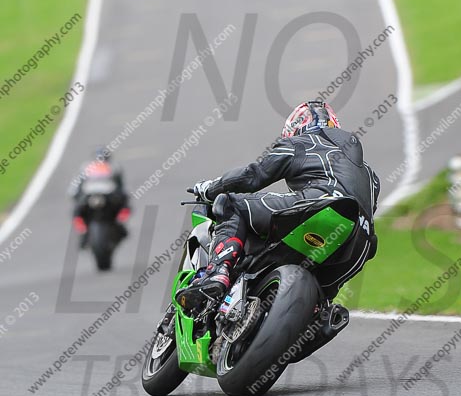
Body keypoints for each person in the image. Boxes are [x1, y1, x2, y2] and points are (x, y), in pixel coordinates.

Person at [177, 101, 380, 314]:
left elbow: (253, 176)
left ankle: (218, 272)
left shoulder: (302, 142)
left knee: (230, 204)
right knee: (319, 307)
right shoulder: (370, 175)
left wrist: (211, 188)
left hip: (318, 206)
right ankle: (317, 314)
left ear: (296, 127)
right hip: (359, 243)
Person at [70, 147, 130, 248]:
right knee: (78, 211)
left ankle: (119, 223)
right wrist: (74, 193)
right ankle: (83, 231)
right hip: (90, 195)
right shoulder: (86, 167)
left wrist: (122, 195)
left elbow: (121, 186)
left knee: (123, 205)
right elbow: (77, 185)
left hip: (109, 195)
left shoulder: (114, 167)